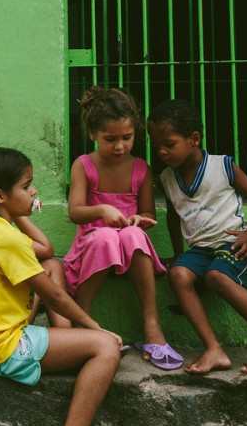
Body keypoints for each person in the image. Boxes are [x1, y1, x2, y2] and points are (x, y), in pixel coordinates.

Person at [0, 147, 130, 426]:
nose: (34, 192)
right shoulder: (5, 239)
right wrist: (97, 330)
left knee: (51, 266)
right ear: (0, 195)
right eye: (27, 186)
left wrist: (15, 211)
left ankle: (69, 340)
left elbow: (45, 253)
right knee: (105, 349)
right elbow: (56, 297)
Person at [147, 99, 247, 377]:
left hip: (233, 244)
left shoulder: (223, 165)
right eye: (156, 147)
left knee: (217, 277)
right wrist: (179, 253)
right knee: (178, 274)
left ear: (193, 139)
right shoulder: (167, 177)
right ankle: (214, 348)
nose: (162, 152)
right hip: (200, 250)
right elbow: (173, 216)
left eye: (169, 144)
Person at [65, 87, 182, 370]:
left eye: (127, 138)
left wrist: (139, 220)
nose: (120, 146)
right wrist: (102, 211)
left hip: (130, 247)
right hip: (93, 243)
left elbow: (147, 212)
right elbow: (75, 212)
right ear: (93, 134)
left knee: (133, 234)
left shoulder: (141, 169)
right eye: (110, 139)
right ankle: (82, 319)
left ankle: (152, 327)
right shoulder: (83, 165)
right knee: (106, 236)